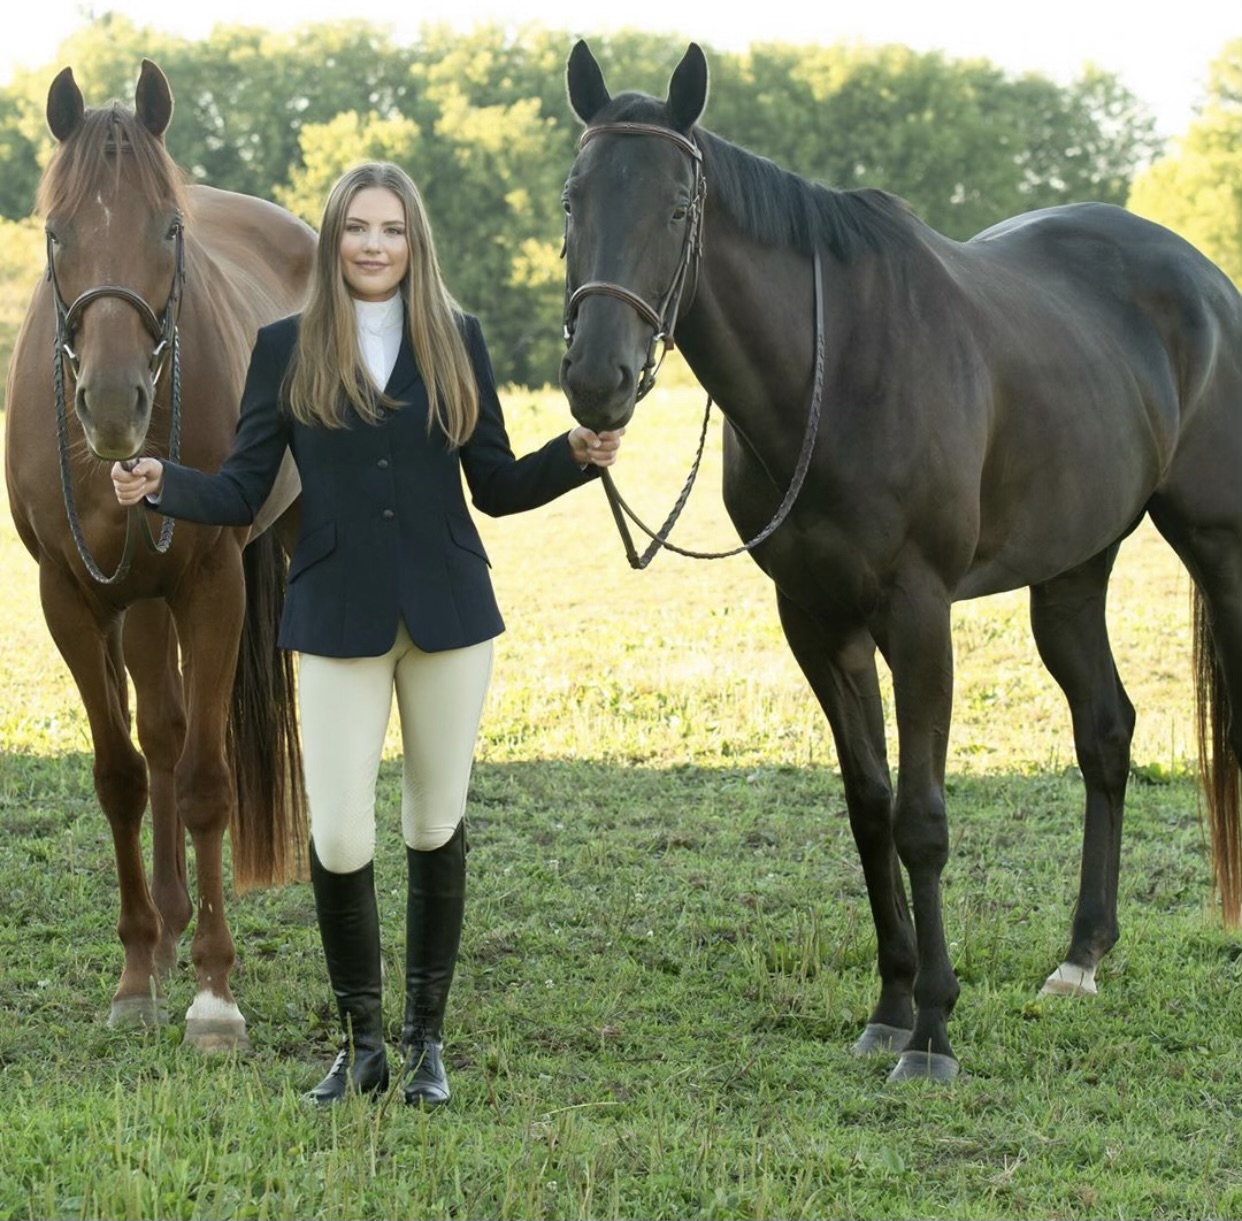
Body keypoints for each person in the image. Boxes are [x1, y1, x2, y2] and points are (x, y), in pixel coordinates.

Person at [112, 161, 623, 1107]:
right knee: (342, 834)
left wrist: (576, 458)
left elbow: (497, 486)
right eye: (357, 228)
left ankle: (425, 1045)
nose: (374, 244)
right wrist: (162, 483)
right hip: (337, 616)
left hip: (451, 619)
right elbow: (240, 491)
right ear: (334, 239)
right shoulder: (285, 347)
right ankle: (361, 1046)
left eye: (391, 228)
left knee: (434, 825)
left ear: (413, 240)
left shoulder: (457, 341)